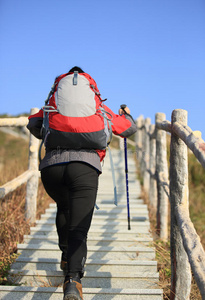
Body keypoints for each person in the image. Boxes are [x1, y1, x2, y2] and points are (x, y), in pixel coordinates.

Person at [27, 66, 137, 300]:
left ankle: (66, 256)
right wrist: (126, 114)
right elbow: (128, 129)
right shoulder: (99, 107)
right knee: (79, 226)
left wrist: (58, 132)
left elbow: (33, 125)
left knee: (64, 207)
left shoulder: (52, 104)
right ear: (91, 88)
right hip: (85, 168)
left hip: (52, 168)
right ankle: (73, 280)